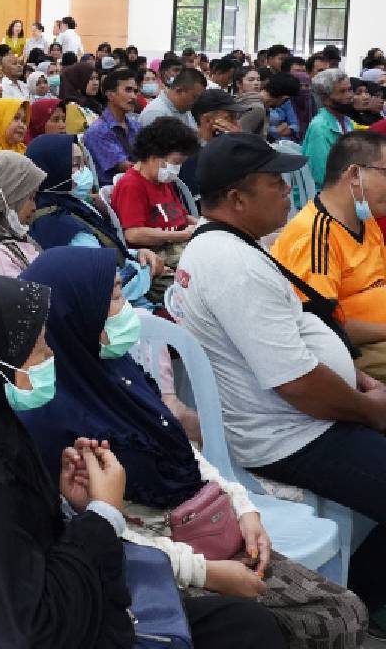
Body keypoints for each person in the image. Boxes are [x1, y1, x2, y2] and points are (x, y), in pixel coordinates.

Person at [0, 272, 290, 648]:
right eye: (38, 348)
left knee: (246, 624)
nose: (51, 356)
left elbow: (27, 544)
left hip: (62, 604)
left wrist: (72, 504)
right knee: (252, 632)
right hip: (47, 628)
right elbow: (31, 629)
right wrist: (103, 515)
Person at [18, 247, 363, 648]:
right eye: (112, 296)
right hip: (157, 563)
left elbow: (184, 451)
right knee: (267, 629)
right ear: (77, 310)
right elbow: (107, 532)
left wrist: (243, 510)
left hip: (209, 527)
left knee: (341, 612)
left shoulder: (117, 372)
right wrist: (207, 573)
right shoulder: (51, 419)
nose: (127, 306)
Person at [176, 132, 386, 634]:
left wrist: (355, 379)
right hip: (290, 436)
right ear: (237, 199)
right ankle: (365, 599)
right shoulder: (233, 266)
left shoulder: (229, 246)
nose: (289, 191)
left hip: (303, 419)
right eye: (275, 183)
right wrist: (370, 410)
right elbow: (297, 384)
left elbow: (300, 333)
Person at [272, 131, 386, 380]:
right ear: (355, 174)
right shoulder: (315, 236)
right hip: (356, 350)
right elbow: (324, 327)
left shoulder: (365, 218)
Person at [26, 134, 164, 302]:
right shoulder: (64, 227)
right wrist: (148, 271)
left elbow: (103, 250)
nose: (85, 171)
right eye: (76, 165)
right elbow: (106, 286)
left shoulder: (70, 205)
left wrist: (136, 254)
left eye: (85, 163)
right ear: (53, 169)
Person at [110, 116, 199, 300]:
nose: (177, 168)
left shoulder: (163, 181)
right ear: (153, 156)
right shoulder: (132, 185)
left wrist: (203, 225)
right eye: (175, 162)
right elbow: (133, 234)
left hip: (178, 244)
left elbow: (182, 217)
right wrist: (179, 235)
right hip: (154, 254)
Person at [83, 69, 143, 186]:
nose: (133, 96)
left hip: (139, 182)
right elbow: (125, 166)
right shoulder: (98, 131)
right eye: (128, 90)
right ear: (110, 95)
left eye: (135, 91)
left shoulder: (135, 126)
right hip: (115, 190)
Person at [302, 69, 357, 186]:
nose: (349, 96)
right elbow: (321, 176)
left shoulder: (347, 122)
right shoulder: (320, 128)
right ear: (326, 99)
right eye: (342, 92)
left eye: (350, 90)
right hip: (326, 192)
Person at [138, 66, 207, 129]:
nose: (196, 101)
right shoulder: (156, 114)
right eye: (194, 97)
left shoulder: (184, 109)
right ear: (179, 90)